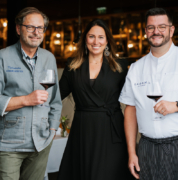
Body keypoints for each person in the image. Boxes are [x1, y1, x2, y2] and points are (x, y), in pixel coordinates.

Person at [57, 19, 134, 180]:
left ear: (107, 41)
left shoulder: (120, 66)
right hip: (82, 131)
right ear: (85, 39)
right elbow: (55, 96)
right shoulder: (73, 65)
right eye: (91, 36)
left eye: (100, 37)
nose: (96, 41)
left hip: (111, 132)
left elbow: (132, 103)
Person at [0, 7, 62, 180]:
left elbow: (55, 100)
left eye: (40, 28)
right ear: (18, 29)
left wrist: (53, 129)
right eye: (30, 27)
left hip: (41, 142)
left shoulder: (49, 58)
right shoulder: (2, 57)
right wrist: (27, 99)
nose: (36, 32)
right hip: (9, 143)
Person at [119, 7, 178, 180]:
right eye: (151, 27)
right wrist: (132, 152)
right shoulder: (136, 68)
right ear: (145, 31)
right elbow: (130, 110)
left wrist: (176, 105)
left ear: (171, 29)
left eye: (162, 26)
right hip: (147, 147)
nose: (156, 31)